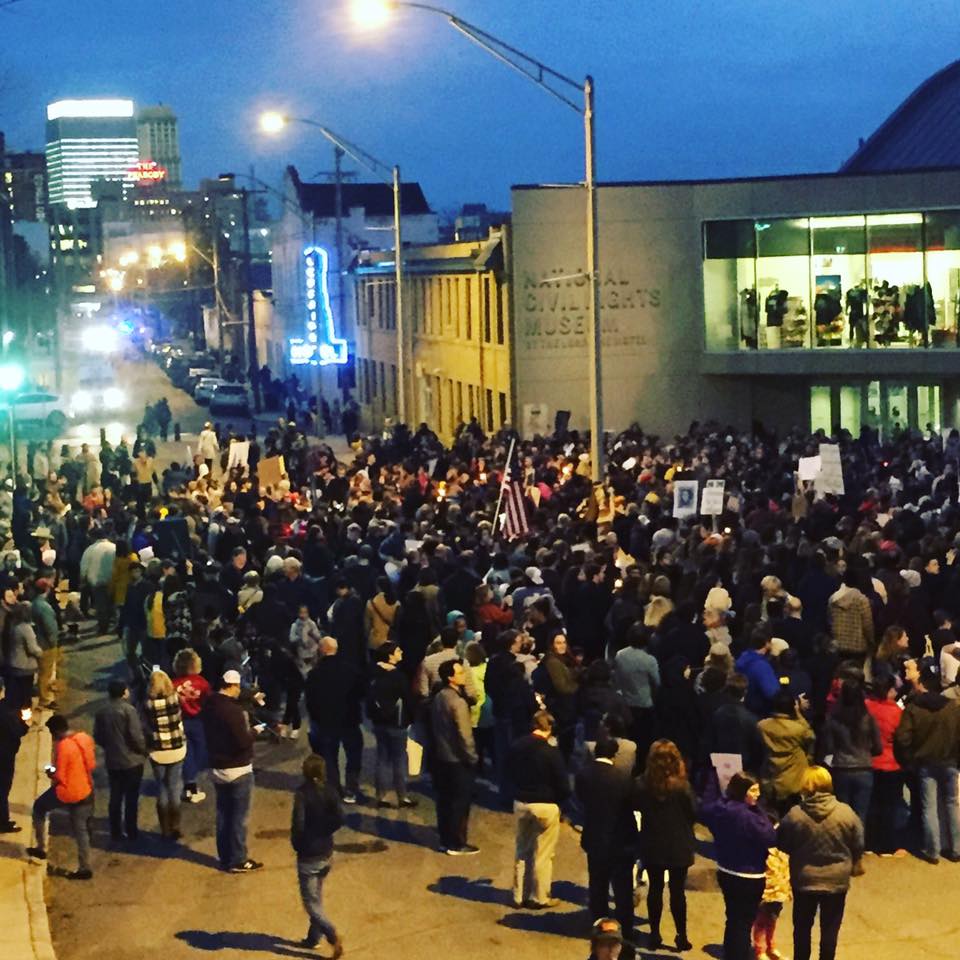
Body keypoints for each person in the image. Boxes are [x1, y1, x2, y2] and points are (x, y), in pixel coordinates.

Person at [777, 766, 864, 960]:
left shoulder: (795, 814)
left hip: (804, 879)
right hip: (836, 880)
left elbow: (782, 843)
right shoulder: (846, 812)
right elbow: (858, 843)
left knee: (801, 928)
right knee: (830, 930)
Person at [699, 771, 776, 960]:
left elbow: (705, 809)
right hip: (749, 876)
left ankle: (730, 952)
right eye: (753, 790)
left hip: (726, 870)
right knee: (745, 921)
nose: (757, 794)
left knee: (732, 917)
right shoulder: (750, 817)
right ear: (743, 791)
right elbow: (770, 837)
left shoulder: (721, 809)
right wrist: (759, 810)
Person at [893, 660, 960, 863]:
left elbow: (902, 738)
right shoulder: (952, 708)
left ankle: (932, 851)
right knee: (952, 805)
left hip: (925, 763)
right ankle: (956, 848)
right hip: (949, 761)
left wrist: (910, 759)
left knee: (928, 807)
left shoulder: (914, 709)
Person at [634, 739, 695, 951]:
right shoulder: (682, 787)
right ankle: (681, 935)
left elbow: (635, 806)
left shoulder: (642, 784)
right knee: (678, 892)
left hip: (652, 843)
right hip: (679, 844)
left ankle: (655, 934)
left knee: (655, 890)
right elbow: (693, 813)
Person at [576, 737, 637, 942]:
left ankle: (599, 923)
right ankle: (626, 928)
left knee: (598, 883)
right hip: (620, 840)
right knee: (622, 888)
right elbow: (630, 807)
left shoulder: (584, 774)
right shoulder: (622, 778)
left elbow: (580, 800)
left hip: (595, 837)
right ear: (614, 754)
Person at [506, 709, 569, 909]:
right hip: (545, 805)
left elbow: (507, 772)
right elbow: (563, 784)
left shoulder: (516, 746)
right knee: (543, 853)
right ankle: (540, 896)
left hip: (521, 802)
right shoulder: (551, 752)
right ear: (548, 727)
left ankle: (518, 895)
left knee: (522, 849)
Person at [203, 669, 263, 872]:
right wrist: (255, 731)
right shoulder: (233, 712)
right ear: (233, 686)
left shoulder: (209, 705)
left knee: (223, 814)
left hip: (216, 767)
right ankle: (238, 859)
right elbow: (243, 741)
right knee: (239, 817)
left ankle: (225, 856)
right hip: (238, 769)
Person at [27, 714, 96, 880]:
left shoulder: (63, 747)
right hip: (86, 788)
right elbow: (92, 764)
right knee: (81, 830)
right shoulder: (83, 738)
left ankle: (41, 847)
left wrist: (49, 770)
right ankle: (85, 867)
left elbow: (59, 776)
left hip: (67, 791)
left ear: (56, 732)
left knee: (39, 808)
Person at [291, 754, 345, 958]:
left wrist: (298, 843)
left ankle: (331, 934)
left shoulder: (302, 794)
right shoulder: (330, 791)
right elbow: (340, 817)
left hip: (308, 853)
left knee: (310, 902)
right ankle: (313, 937)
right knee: (317, 896)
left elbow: (298, 824)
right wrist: (326, 830)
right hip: (326, 851)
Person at [305, 636, 364, 805]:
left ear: (322, 650)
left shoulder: (315, 673)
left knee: (329, 756)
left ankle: (334, 788)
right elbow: (361, 692)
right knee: (353, 754)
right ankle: (351, 788)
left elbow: (310, 701)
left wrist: (316, 717)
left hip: (326, 722)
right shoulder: (350, 669)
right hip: (349, 719)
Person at [430, 658, 479, 855]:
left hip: (442, 756)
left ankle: (445, 838)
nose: (463, 675)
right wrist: (472, 757)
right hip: (457, 759)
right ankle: (457, 842)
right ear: (450, 677)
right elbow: (465, 735)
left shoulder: (439, 697)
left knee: (445, 800)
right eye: (459, 673)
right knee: (460, 802)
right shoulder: (457, 702)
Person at [819, 677, 881, 831]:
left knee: (842, 812)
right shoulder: (868, 718)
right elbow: (878, 747)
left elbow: (829, 747)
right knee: (861, 813)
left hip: (842, 768)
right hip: (864, 767)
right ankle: (857, 847)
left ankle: (844, 844)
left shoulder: (834, 719)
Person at [93, 679, 147, 842]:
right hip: (132, 761)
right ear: (124, 692)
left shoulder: (102, 712)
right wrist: (143, 751)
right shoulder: (129, 711)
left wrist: (109, 747)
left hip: (113, 760)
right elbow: (136, 736)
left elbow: (98, 736)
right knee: (131, 798)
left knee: (115, 796)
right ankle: (131, 830)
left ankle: (115, 831)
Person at [367, 641, 416, 808]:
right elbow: (408, 699)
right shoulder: (398, 676)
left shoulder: (373, 673)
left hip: (378, 722)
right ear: (390, 656)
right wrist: (412, 719)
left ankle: (381, 796)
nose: (401, 651)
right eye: (397, 650)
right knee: (399, 759)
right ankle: (402, 795)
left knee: (382, 758)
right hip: (397, 722)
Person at [864, 673, 907, 856]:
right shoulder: (896, 712)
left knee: (871, 805)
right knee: (890, 806)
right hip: (891, 763)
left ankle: (869, 843)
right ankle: (887, 845)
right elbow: (902, 738)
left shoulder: (867, 707)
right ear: (890, 690)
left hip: (869, 762)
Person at [142, 668, 187, 841]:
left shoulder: (147, 704)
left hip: (158, 750)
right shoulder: (175, 699)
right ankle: (176, 825)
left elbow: (144, 724)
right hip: (176, 747)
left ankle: (164, 829)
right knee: (174, 786)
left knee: (162, 787)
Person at [758, 690, 815, 812]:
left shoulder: (762, 726)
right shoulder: (798, 729)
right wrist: (798, 713)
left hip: (770, 780)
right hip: (793, 783)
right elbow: (811, 737)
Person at [612, 623, 659, 765]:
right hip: (645, 704)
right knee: (644, 741)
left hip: (626, 703)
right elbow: (657, 682)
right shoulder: (649, 660)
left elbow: (616, 678)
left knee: (627, 739)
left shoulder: (620, 655)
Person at [172, 648, 211, 803]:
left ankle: (189, 783)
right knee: (200, 749)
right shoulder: (202, 683)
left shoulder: (172, 684)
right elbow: (209, 702)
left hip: (180, 721)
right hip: (199, 721)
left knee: (186, 753)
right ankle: (193, 782)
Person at [0, 678, 29, 832]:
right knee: (3, 789)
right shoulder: (6, 711)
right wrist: (24, 721)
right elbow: (19, 731)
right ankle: (2, 822)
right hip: (4, 756)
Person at [4, 601, 42, 710]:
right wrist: (41, 653)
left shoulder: (14, 626)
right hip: (25, 667)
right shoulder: (26, 629)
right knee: (25, 696)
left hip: (14, 665)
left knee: (16, 695)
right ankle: (24, 721)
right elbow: (32, 649)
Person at [32, 579, 61, 710]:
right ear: (47, 589)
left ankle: (45, 694)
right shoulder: (44, 607)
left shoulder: (34, 604)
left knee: (43, 672)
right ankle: (45, 699)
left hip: (39, 642)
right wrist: (53, 643)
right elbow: (50, 628)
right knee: (46, 673)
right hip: (46, 645)